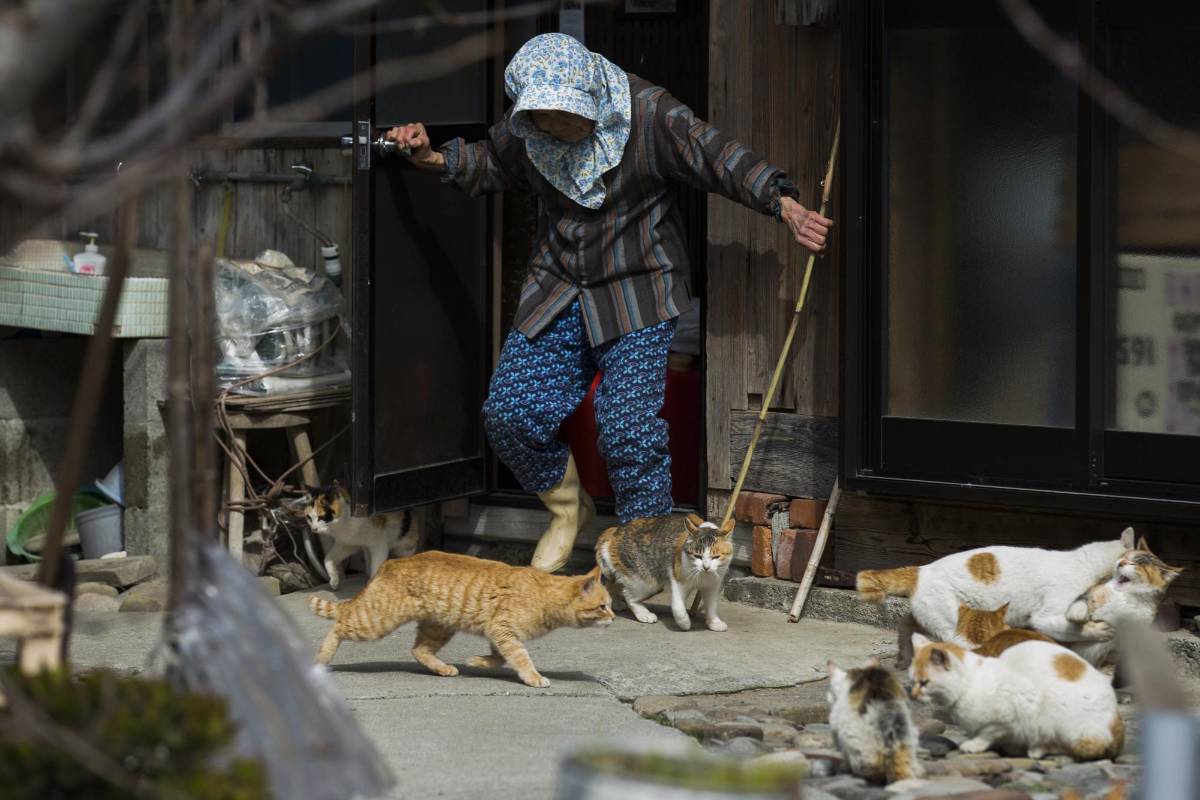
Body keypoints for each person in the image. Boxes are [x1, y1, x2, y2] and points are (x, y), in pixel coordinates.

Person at [388, 33, 832, 573]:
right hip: (559, 284)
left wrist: (783, 204)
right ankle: (567, 508)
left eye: (566, 114)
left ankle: (650, 558)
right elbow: (495, 162)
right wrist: (432, 157)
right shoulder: (529, 126)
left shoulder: (647, 113)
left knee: (627, 430)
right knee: (509, 415)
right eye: (546, 118)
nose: (557, 126)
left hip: (637, 288)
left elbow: (715, 154)